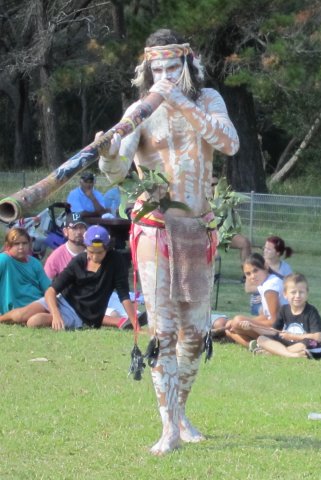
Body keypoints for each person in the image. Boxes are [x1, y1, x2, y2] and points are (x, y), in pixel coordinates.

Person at [97, 29, 239, 455]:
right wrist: (107, 152)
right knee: (164, 330)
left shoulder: (208, 98)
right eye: (156, 70)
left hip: (198, 228)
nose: (163, 76)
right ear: (146, 69)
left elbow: (229, 143)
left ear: (187, 65)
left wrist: (179, 101)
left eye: (171, 69)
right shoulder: (138, 111)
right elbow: (117, 170)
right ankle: (168, 428)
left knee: (194, 334)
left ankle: (181, 414)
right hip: (154, 229)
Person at [0, 226, 137, 331]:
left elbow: (123, 295)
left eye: (99, 253)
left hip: (80, 314)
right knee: (20, 316)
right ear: (85, 247)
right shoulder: (79, 261)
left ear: (107, 248)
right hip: (62, 301)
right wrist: (56, 314)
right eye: (90, 252)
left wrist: (135, 323)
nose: (94, 257)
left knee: (34, 322)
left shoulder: (116, 261)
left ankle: (122, 322)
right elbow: (51, 290)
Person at [254, 273, 321, 359]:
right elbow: (274, 331)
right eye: (293, 292)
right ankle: (291, 355)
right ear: (285, 294)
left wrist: (293, 336)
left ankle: (274, 352)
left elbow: (318, 337)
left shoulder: (311, 311)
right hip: (291, 345)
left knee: (309, 343)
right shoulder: (283, 310)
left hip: (308, 345)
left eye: (301, 292)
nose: (297, 296)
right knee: (261, 339)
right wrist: (252, 327)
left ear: (307, 294)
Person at [226, 253, 287, 347]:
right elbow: (266, 316)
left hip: (283, 331)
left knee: (237, 321)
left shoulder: (271, 286)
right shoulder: (265, 283)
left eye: (255, 271)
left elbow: (275, 323)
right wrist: (247, 322)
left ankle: (263, 345)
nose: (252, 276)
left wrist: (247, 323)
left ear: (266, 266)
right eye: (248, 274)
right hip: (274, 329)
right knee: (231, 326)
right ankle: (254, 346)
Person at [0, 227, 50, 315]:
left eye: (24, 243)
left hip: (37, 306)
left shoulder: (35, 263)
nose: (21, 247)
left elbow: (48, 289)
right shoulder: (4, 260)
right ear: (8, 246)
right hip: (15, 311)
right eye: (16, 244)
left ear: (29, 245)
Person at [248, 236, 293, 315]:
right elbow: (248, 288)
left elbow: (291, 287)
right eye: (265, 248)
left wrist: (271, 295)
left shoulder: (286, 268)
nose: (265, 251)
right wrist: (264, 295)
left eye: (269, 249)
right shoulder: (257, 263)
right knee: (267, 311)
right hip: (259, 302)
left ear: (277, 253)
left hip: (279, 299)